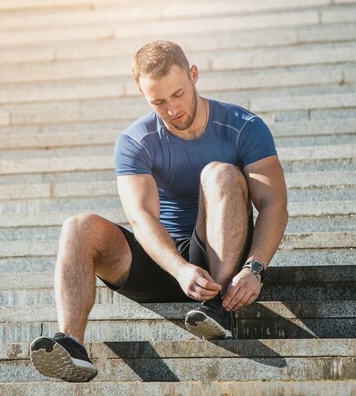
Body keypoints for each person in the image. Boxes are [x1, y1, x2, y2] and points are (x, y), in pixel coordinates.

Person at [29, 40, 288, 382]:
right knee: (79, 226)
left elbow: (274, 204)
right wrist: (180, 270)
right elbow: (141, 218)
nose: (172, 109)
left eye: (178, 94)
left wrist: (255, 268)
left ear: (194, 75)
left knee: (219, 173)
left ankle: (218, 308)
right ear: (143, 94)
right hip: (163, 259)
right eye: (158, 102)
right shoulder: (136, 141)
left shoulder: (242, 125)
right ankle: (72, 344)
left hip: (219, 252)